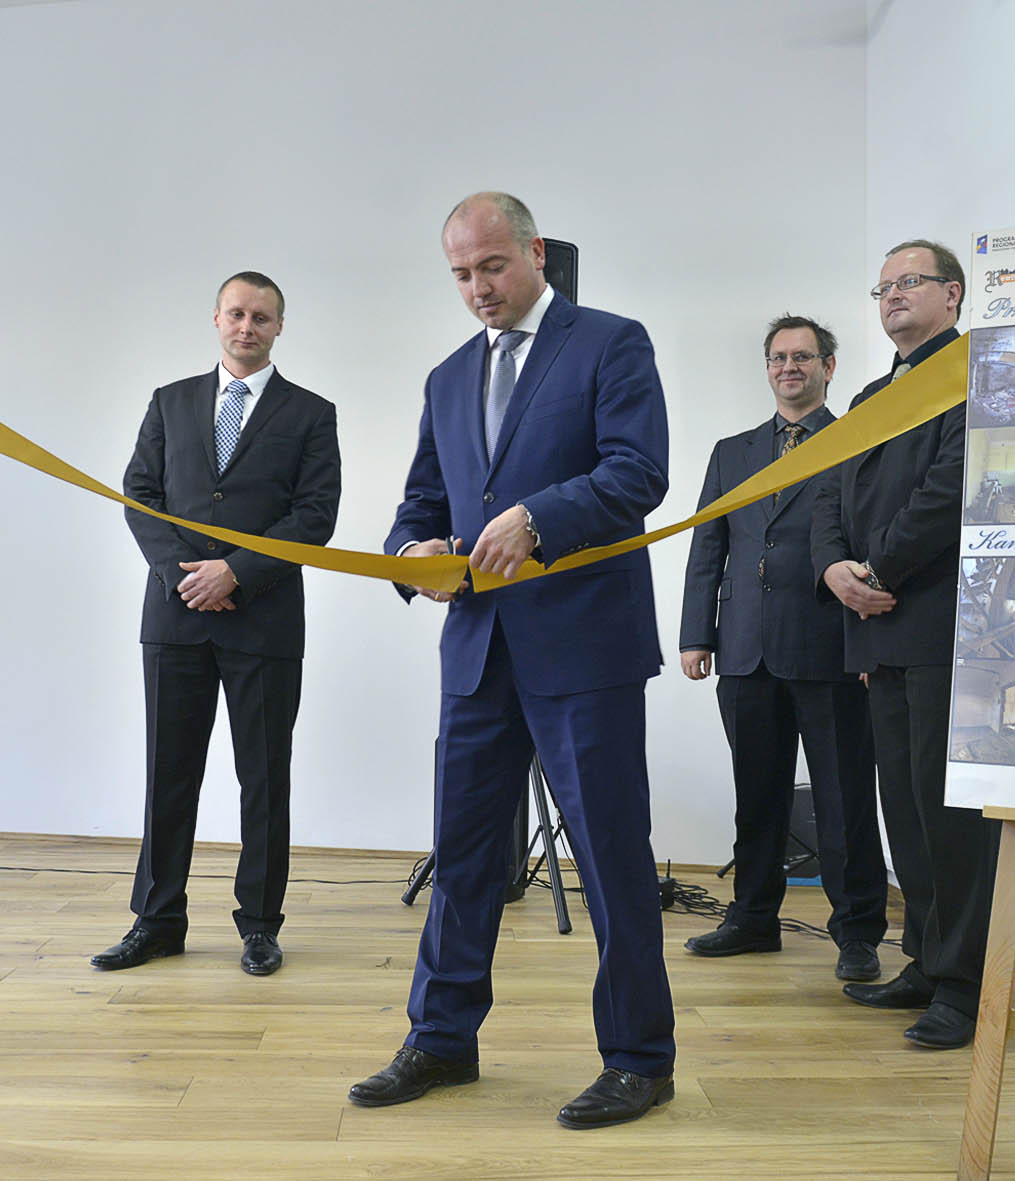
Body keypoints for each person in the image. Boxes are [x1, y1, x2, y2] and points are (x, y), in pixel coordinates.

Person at [349, 192, 675, 1129]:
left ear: (534, 252)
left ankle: (639, 1058)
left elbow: (637, 473)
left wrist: (539, 518)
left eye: (491, 266)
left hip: (584, 647)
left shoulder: (611, 342)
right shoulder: (448, 376)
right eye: (460, 274)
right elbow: (420, 504)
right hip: (476, 650)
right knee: (461, 853)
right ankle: (441, 1038)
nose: (477, 288)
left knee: (609, 855)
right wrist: (410, 554)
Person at [91, 271, 341, 978]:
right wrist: (185, 576)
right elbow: (139, 495)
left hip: (264, 621)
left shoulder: (311, 413)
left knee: (263, 778)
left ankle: (259, 924)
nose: (247, 327)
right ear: (216, 318)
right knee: (167, 774)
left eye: (261, 317)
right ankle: (157, 920)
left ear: (280, 326)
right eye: (237, 313)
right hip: (175, 618)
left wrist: (235, 572)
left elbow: (314, 517)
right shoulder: (169, 402)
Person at [809, 240, 1000, 1050]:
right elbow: (827, 491)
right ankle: (925, 958)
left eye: (909, 282)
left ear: (952, 294)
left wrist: (876, 568)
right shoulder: (868, 397)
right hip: (875, 629)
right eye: (882, 286)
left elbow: (950, 489)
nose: (891, 295)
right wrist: (834, 571)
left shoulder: (976, 378)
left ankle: (965, 985)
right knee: (906, 810)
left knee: (949, 814)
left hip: (943, 625)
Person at [679, 314, 888, 982]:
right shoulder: (731, 453)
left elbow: (870, 542)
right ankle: (752, 918)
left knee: (844, 798)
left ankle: (857, 932)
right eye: (778, 357)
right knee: (756, 795)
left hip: (831, 648)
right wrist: (696, 634)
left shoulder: (857, 442)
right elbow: (708, 545)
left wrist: (869, 645)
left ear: (829, 367)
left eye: (802, 356)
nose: (788, 367)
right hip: (745, 649)